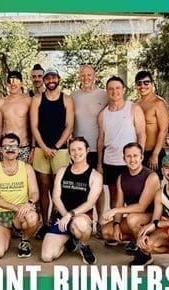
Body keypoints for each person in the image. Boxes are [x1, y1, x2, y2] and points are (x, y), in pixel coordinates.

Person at [41, 137, 103, 264]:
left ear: (87, 150)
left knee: (80, 225)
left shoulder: (95, 176)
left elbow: (90, 203)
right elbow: (56, 197)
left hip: (81, 216)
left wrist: (70, 215)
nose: (76, 153)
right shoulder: (62, 171)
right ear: (69, 153)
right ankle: (70, 240)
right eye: (73, 150)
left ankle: (84, 245)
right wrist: (65, 216)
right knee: (47, 256)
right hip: (63, 216)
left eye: (80, 149)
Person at [30, 67, 74, 240]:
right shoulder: (37, 99)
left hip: (60, 150)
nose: (50, 81)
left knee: (59, 187)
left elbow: (69, 126)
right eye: (47, 78)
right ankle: (45, 223)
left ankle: (58, 220)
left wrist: (55, 147)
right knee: (43, 188)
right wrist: (44, 147)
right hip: (42, 149)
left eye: (53, 77)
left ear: (58, 79)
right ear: (44, 81)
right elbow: (34, 126)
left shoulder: (67, 99)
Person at [101, 142, 160, 263]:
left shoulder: (151, 176)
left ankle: (145, 253)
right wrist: (116, 224)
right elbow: (119, 203)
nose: (132, 159)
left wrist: (115, 211)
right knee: (106, 232)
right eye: (128, 156)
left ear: (141, 157)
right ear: (123, 158)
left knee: (132, 219)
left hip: (153, 219)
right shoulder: (121, 177)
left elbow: (141, 207)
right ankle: (137, 239)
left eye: (135, 156)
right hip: (137, 219)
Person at [97, 76, 146, 212]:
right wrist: (99, 164)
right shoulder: (103, 114)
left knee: (133, 194)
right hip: (110, 161)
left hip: (130, 161)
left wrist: (140, 157)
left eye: (118, 88)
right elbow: (101, 139)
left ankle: (131, 225)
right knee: (114, 194)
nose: (115, 91)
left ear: (123, 90)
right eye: (111, 89)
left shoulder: (134, 108)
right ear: (107, 91)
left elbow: (142, 134)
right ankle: (116, 224)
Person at [0, 133, 40, 258]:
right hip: (2, 214)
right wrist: (18, 208)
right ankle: (3, 233)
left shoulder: (27, 168)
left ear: (19, 149)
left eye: (14, 146)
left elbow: (35, 192)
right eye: (6, 147)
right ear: (0, 149)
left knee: (32, 217)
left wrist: (29, 203)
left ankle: (25, 240)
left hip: (21, 215)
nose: (10, 149)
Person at [72, 63, 109, 233]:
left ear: (94, 76)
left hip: (97, 148)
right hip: (78, 151)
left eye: (89, 75)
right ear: (79, 76)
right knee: (81, 187)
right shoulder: (73, 96)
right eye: (83, 75)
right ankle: (83, 222)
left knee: (98, 187)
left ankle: (100, 221)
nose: (86, 78)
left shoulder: (104, 94)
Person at [134, 71, 169, 178]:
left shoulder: (158, 103)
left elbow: (163, 130)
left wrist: (155, 154)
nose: (142, 86)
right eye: (139, 83)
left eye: (146, 83)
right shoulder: (136, 104)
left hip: (154, 152)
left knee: (154, 188)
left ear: (152, 84)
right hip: (139, 152)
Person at [0, 71, 33, 163]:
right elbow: (0, 126)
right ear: (7, 83)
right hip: (6, 147)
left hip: (23, 147)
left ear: (21, 83)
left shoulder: (29, 101)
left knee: (24, 176)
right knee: (5, 176)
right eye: (9, 81)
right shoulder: (1, 102)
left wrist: (33, 148)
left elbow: (34, 126)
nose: (12, 84)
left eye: (16, 81)